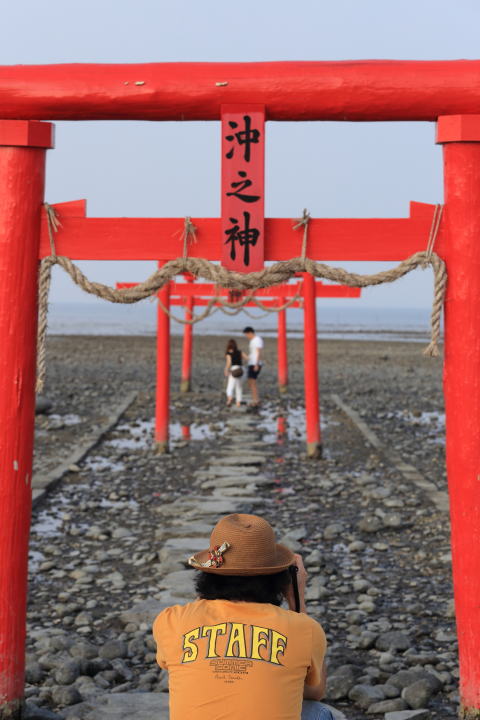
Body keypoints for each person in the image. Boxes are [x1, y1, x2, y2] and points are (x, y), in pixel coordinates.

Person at [153, 513, 334, 720]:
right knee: (318, 712)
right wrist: (297, 598)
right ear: (281, 577)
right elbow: (314, 692)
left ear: (206, 572)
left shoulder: (171, 620)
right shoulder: (304, 628)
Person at [242, 326, 264, 407]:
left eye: (247, 335)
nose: (247, 336)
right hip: (251, 363)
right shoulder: (252, 341)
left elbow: (259, 352)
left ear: (250, 333)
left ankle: (256, 400)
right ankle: (255, 399)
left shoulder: (257, 339)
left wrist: (256, 364)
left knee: (253, 382)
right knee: (250, 382)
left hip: (255, 363)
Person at [224, 338, 244, 407]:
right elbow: (247, 358)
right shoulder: (239, 352)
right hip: (240, 369)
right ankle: (238, 402)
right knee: (239, 386)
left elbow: (229, 363)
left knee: (230, 386)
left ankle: (229, 399)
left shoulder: (228, 353)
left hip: (233, 370)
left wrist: (226, 370)